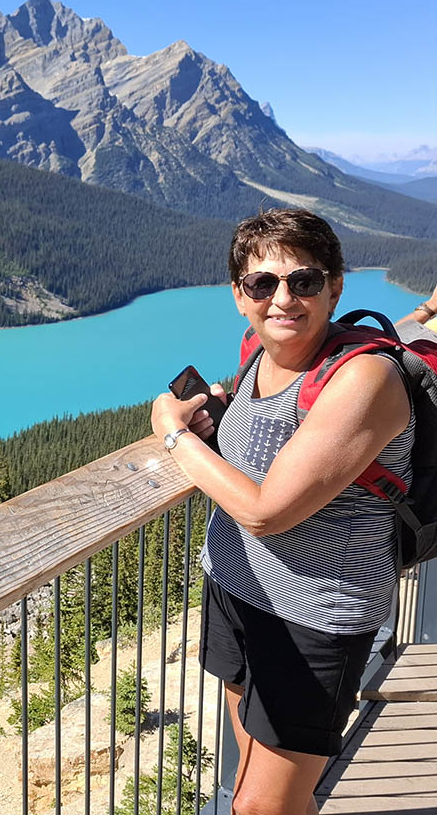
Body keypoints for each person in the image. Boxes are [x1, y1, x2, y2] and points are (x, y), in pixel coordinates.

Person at [150, 208, 416, 815]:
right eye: (263, 284)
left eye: (305, 281)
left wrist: (174, 434)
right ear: (238, 295)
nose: (283, 299)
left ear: (336, 287)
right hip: (237, 590)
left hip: (315, 616)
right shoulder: (258, 357)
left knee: (259, 809)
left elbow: (267, 511)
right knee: (248, 777)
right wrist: (216, 420)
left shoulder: (364, 377)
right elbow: (266, 452)